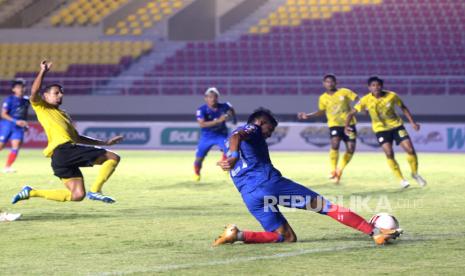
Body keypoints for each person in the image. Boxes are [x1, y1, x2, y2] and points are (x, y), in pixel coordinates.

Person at [213, 108, 402, 246]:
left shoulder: (226, 141)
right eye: (269, 130)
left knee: (286, 237)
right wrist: (234, 156)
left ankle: (237, 235)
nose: (269, 135)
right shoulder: (252, 129)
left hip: (249, 196)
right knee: (327, 206)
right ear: (261, 123)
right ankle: (376, 232)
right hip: (270, 185)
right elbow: (238, 136)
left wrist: (229, 158)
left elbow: (233, 141)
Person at [11, 60, 123, 205]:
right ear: (45, 96)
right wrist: (43, 72)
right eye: (56, 93)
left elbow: (77, 137)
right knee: (113, 157)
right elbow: (33, 92)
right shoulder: (42, 107)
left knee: (77, 195)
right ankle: (95, 190)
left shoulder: (63, 114)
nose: (60, 95)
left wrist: (105, 142)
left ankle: (31, 192)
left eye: (61, 93)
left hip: (59, 158)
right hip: (65, 150)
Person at [345, 76, 427, 188]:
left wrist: (412, 122)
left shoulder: (392, 96)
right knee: (389, 153)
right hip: (381, 130)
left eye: (378, 85)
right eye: (373, 85)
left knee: (410, 150)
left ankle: (415, 173)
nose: (376, 87)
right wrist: (346, 127)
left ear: (382, 86)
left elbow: (403, 107)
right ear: (369, 87)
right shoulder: (365, 100)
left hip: (397, 127)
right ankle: (401, 180)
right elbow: (351, 113)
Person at [298, 74, 358, 183]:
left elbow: (359, 100)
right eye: (327, 82)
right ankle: (333, 170)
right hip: (334, 124)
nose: (330, 84)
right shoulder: (323, 98)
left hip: (349, 124)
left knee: (351, 148)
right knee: (335, 143)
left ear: (336, 82)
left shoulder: (344, 92)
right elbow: (321, 111)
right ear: (324, 84)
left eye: (332, 81)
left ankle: (340, 170)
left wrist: (357, 108)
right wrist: (308, 115)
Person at [194, 87, 237, 181]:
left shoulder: (224, 106)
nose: (212, 99)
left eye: (214, 97)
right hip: (207, 136)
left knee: (231, 153)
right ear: (206, 98)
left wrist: (232, 117)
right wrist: (219, 120)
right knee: (199, 158)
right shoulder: (201, 110)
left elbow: (231, 109)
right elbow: (202, 124)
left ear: (217, 98)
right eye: (210, 97)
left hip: (221, 134)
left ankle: (228, 168)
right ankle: (197, 173)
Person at [0, 79, 29, 173]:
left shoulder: (26, 100)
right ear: (13, 89)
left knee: (16, 146)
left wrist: (25, 124)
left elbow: (24, 114)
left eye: (22, 87)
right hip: (7, 124)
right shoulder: (9, 100)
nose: (21, 89)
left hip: (19, 126)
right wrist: (15, 121)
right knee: (1, 145)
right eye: (18, 87)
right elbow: (3, 114)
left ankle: (7, 167)